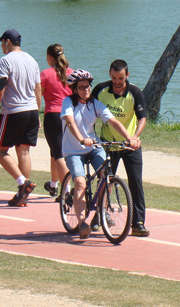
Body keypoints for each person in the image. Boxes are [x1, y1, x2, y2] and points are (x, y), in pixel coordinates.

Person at [60, 69, 139, 239]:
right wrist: (81, 139)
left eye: (88, 86)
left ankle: (103, 211)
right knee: (80, 183)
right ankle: (82, 223)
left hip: (93, 147)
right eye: (81, 87)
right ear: (74, 89)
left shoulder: (95, 104)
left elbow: (112, 121)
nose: (86, 90)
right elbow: (70, 122)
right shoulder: (68, 102)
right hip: (73, 150)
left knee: (107, 176)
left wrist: (129, 138)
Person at [91, 60, 150, 237]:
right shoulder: (100, 91)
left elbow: (142, 118)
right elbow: (89, 113)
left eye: (121, 78)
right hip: (109, 144)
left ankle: (138, 223)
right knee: (105, 182)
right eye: (114, 77)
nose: (117, 81)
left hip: (129, 145)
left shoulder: (135, 92)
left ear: (127, 76)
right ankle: (98, 216)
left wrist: (135, 137)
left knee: (136, 183)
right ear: (109, 73)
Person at [0, 29, 41, 207]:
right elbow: (38, 89)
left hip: (13, 112)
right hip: (32, 111)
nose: (1, 46)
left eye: (2, 42)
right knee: (23, 152)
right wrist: (38, 113)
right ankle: (22, 195)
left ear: (8, 41)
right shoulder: (32, 60)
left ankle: (22, 183)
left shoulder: (5, 61)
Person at [40, 44, 72, 200]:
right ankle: (53, 184)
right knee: (55, 150)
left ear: (49, 57)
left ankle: (67, 190)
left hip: (52, 116)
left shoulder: (45, 75)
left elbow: (36, 97)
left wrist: (35, 116)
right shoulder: (72, 74)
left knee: (59, 154)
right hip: (70, 117)